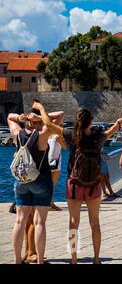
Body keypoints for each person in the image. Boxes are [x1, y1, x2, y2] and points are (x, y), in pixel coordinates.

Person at [38, 104, 122, 264]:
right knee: (95, 222)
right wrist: (119, 123)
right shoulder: (97, 136)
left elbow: (48, 124)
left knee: (73, 222)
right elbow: (112, 130)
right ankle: (97, 258)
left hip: (74, 183)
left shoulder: (71, 134)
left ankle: (74, 259)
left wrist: (40, 108)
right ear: (91, 121)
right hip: (93, 185)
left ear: (77, 120)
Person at [8, 107, 64, 264]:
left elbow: (10, 118)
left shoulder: (18, 134)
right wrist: (39, 116)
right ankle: (39, 260)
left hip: (22, 181)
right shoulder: (42, 135)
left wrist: (22, 117)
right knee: (39, 222)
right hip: (41, 180)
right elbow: (59, 115)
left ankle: (17, 260)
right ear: (37, 122)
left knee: (20, 221)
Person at [48, 132, 67, 211]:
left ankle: (50, 203)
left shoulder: (46, 135)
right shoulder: (58, 136)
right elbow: (65, 147)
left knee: (48, 184)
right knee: (52, 185)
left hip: (47, 161)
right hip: (55, 162)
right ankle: (50, 204)